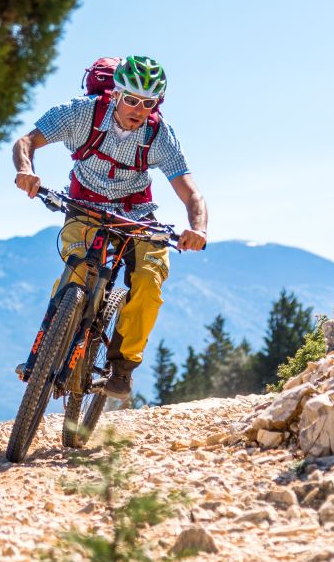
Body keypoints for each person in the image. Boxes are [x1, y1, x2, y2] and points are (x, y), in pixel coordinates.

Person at [11, 55, 208, 399]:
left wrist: (198, 228)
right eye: (131, 99)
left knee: (148, 281)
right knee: (78, 269)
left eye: (148, 103)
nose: (139, 109)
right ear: (115, 94)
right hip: (84, 207)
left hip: (137, 215)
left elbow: (191, 192)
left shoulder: (159, 134)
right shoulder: (80, 113)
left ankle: (122, 368)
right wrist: (26, 170)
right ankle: (50, 347)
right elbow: (25, 142)